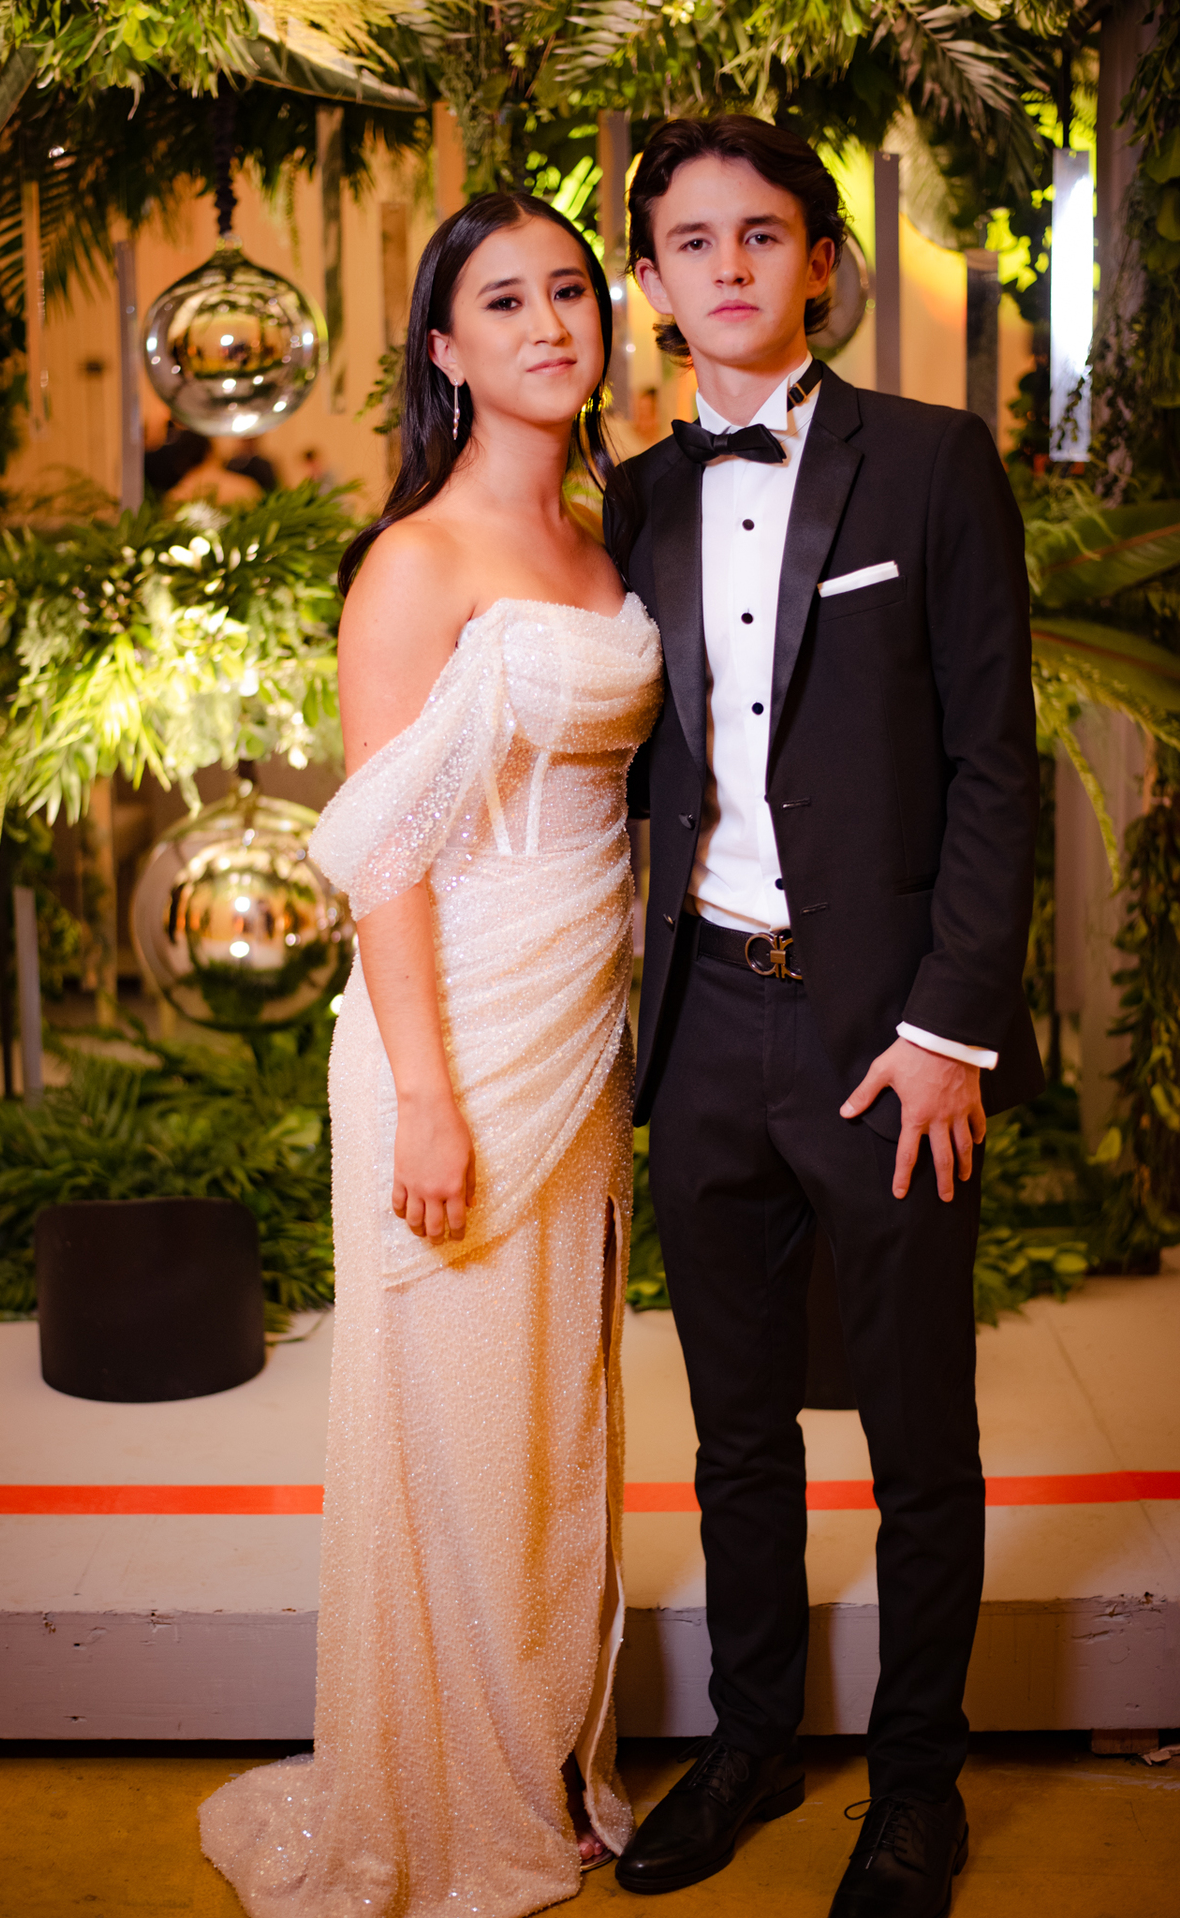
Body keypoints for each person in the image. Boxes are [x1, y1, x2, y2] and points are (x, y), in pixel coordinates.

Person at [198, 191, 662, 1917]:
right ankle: (444, 1796)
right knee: (456, 1433)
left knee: (556, 1424)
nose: (551, 323)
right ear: (447, 349)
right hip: (450, 1033)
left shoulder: (609, 543)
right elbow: (384, 854)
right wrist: (426, 1095)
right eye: (506, 301)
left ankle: (542, 1756)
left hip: (580, 1026)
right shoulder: (415, 560)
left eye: (571, 290)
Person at [604, 116, 1042, 1918]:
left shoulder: (933, 464)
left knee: (919, 1435)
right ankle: (752, 1742)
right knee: (734, 1434)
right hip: (704, 1021)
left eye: (763, 234)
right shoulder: (626, 499)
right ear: (650, 280)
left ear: (820, 261)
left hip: (887, 1036)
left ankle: (919, 1787)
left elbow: (994, 766)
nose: (729, 267)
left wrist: (949, 1028)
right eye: (692, 241)